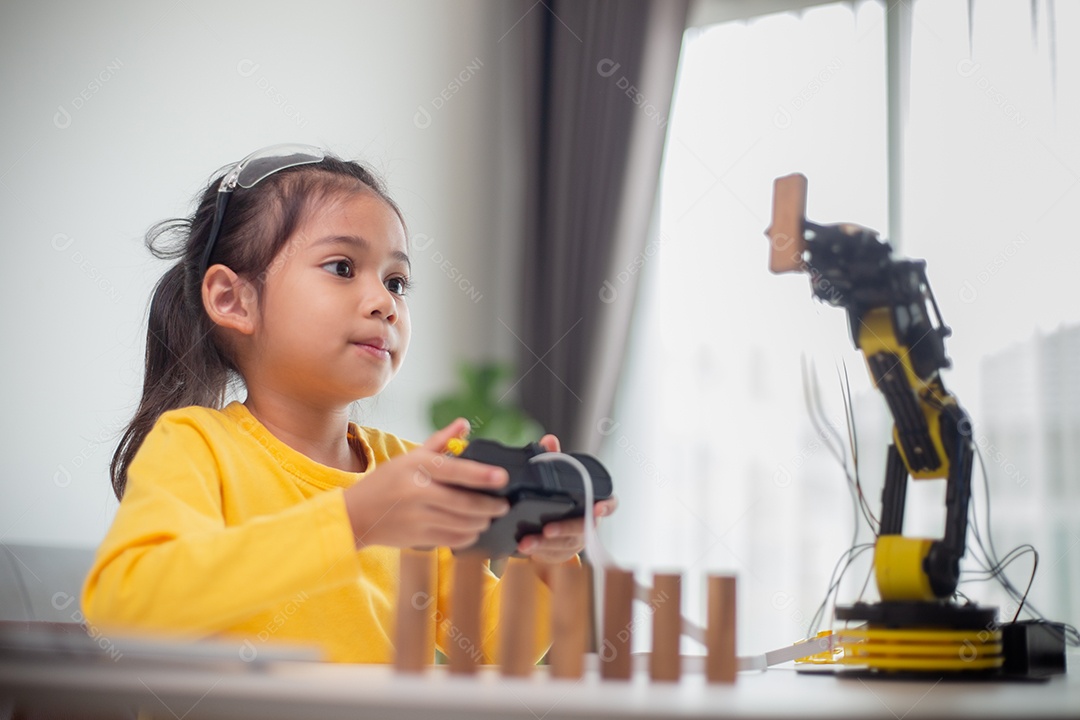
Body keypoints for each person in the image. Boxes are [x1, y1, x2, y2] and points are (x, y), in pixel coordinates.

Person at [81, 144, 616, 664]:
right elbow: (123, 610)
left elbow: (500, 647)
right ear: (232, 299)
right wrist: (354, 520)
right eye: (342, 267)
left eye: (397, 281)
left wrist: (549, 561)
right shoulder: (196, 447)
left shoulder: (409, 475)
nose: (386, 302)